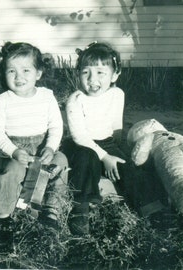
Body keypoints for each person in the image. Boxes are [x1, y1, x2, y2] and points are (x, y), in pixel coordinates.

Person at [0, 42, 68, 251]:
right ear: (4, 73)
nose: (19, 77)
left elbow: (56, 126)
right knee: (13, 171)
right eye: (12, 71)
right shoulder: (2, 101)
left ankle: (51, 211)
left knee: (61, 162)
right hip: (14, 150)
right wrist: (15, 152)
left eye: (26, 70)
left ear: (38, 73)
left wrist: (51, 148)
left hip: (42, 148)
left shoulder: (47, 96)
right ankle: (3, 217)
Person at [63, 41, 130, 236]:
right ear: (78, 74)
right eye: (86, 73)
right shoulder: (75, 100)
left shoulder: (117, 94)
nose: (92, 79)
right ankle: (81, 210)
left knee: (127, 165)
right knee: (86, 160)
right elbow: (79, 136)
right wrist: (105, 158)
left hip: (107, 142)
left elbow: (117, 126)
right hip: (81, 145)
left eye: (100, 72)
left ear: (115, 74)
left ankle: (151, 207)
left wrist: (118, 153)